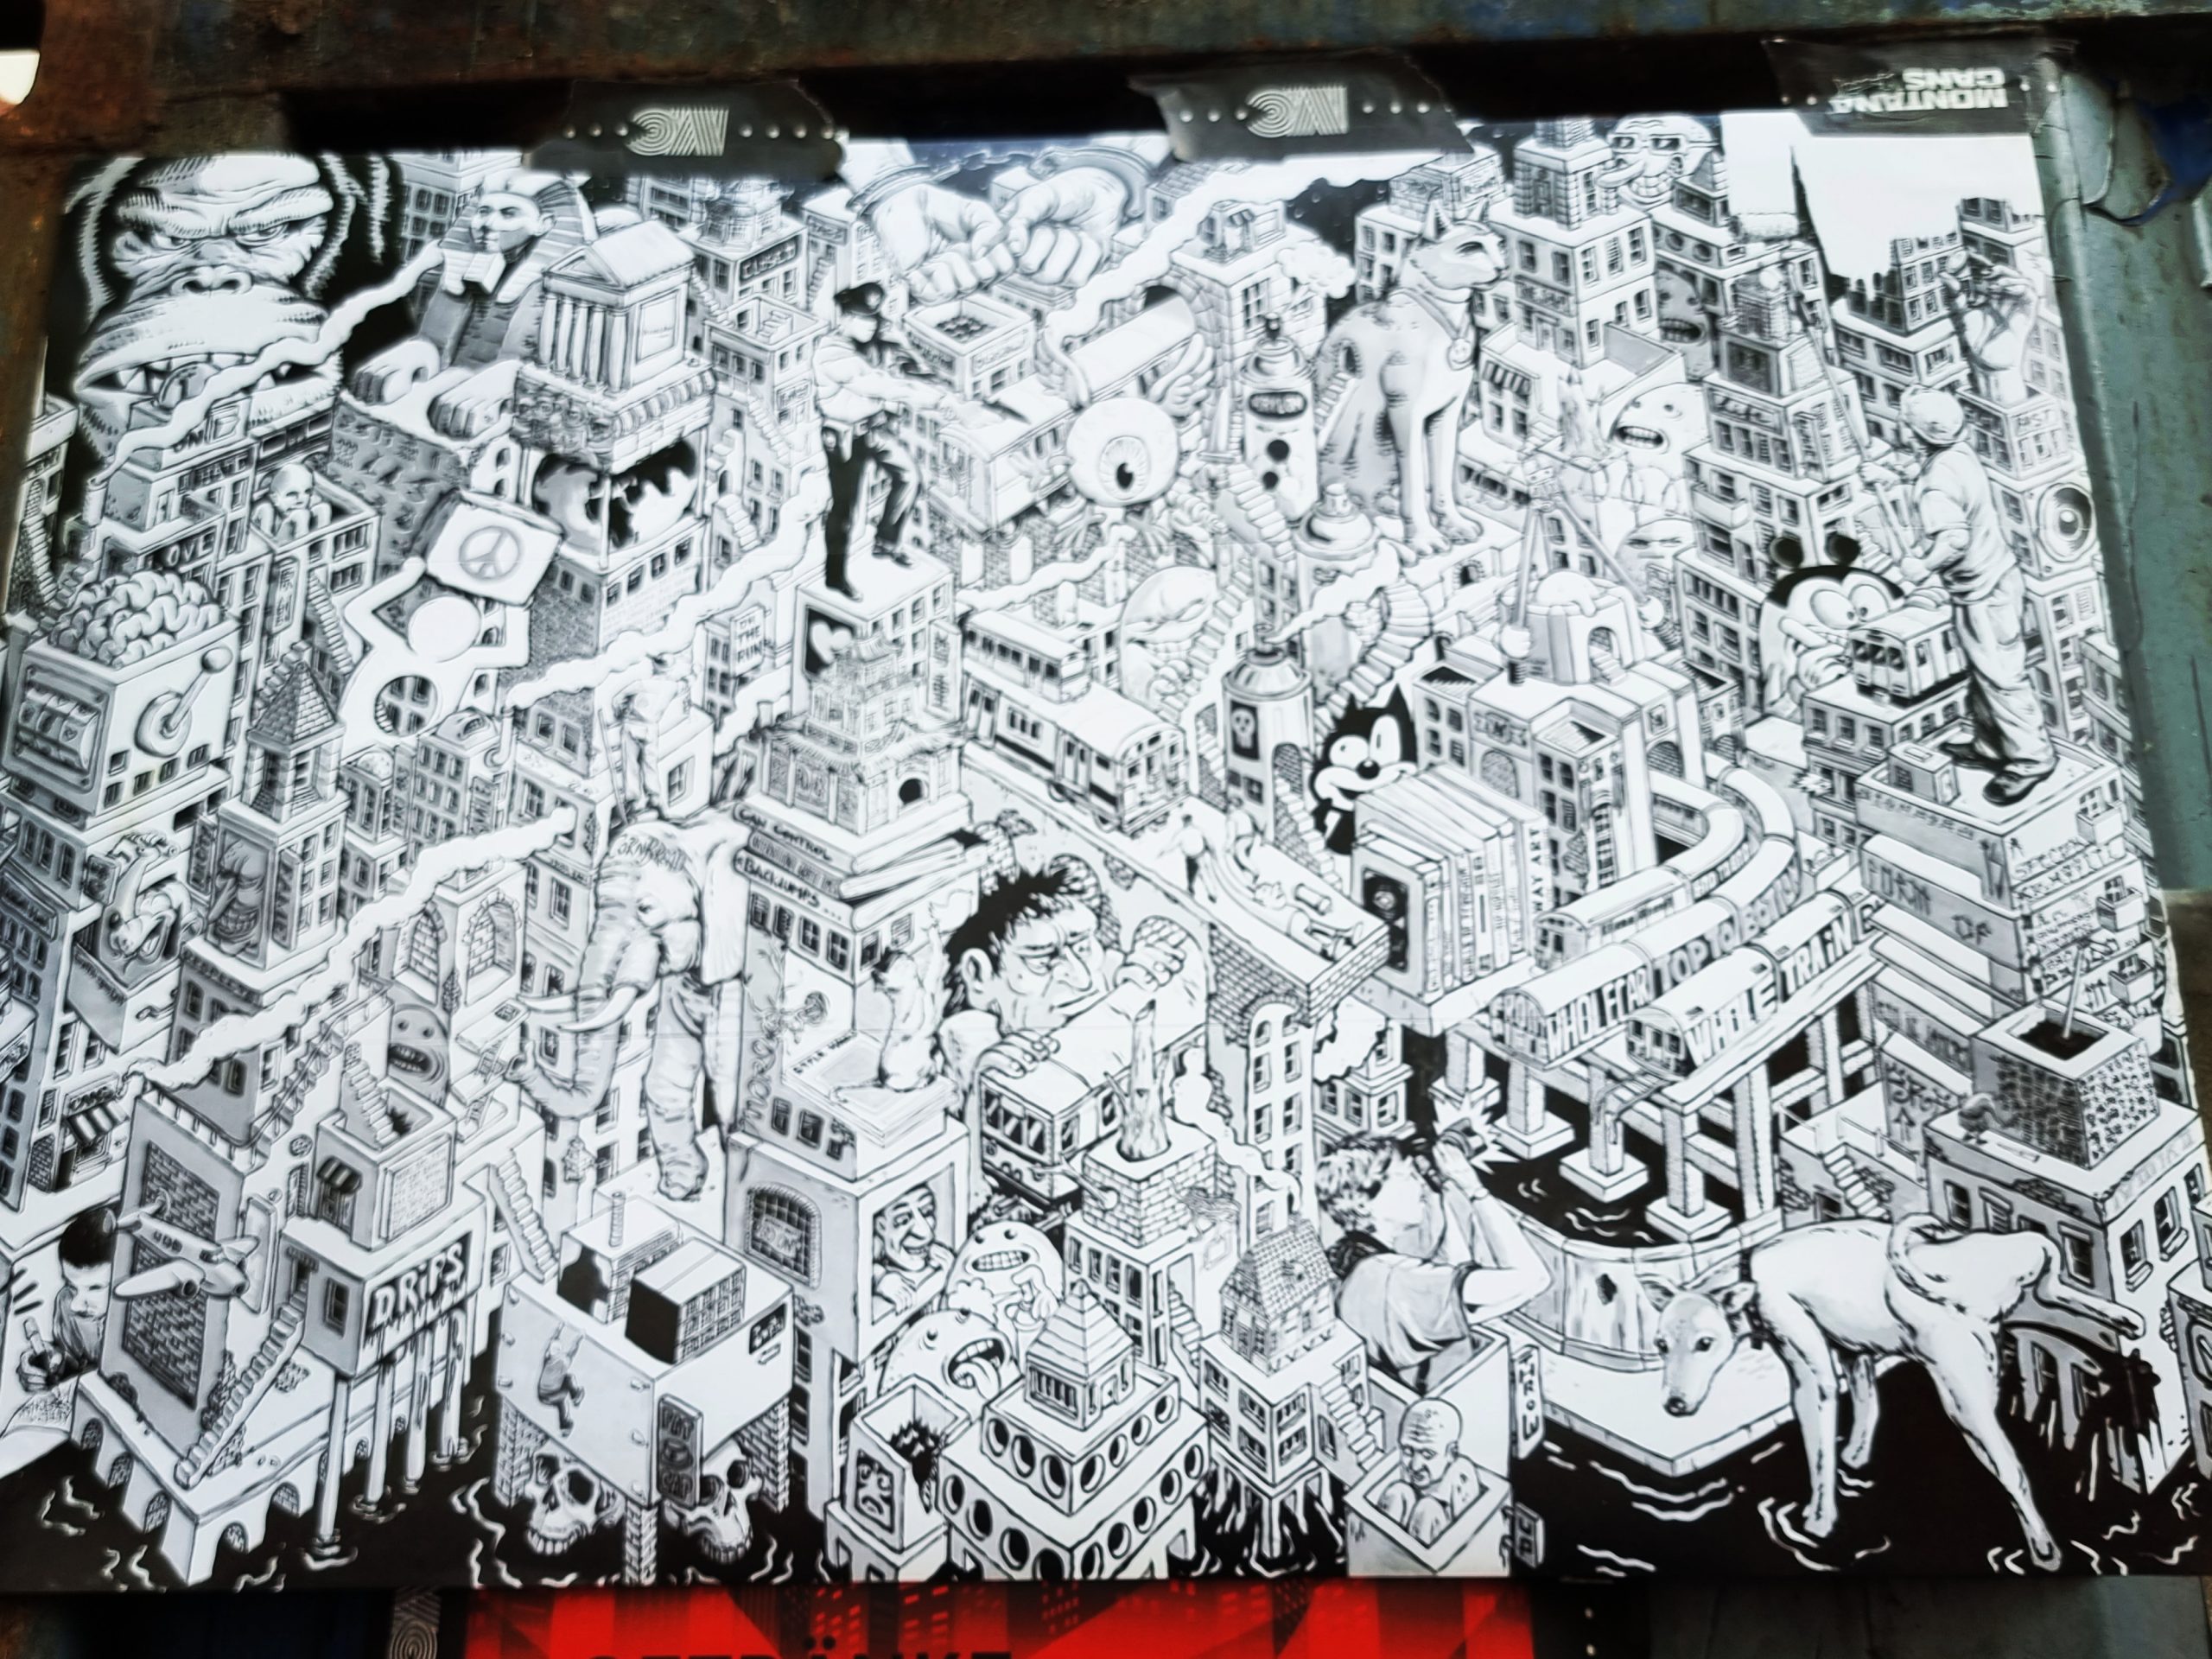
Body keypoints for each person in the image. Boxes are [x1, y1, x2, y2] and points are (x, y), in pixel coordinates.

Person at [1887, 387, 2054, 805]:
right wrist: (1894, 476)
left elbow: (1954, 539)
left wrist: (1922, 567)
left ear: (1917, 433)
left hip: (1983, 593)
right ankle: (1991, 746)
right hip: (1989, 582)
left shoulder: (1936, 484)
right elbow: (1939, 480)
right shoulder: (1956, 455)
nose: (1899, 425)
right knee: (1984, 672)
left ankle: (2032, 759)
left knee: (2001, 676)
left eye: (1905, 421)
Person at [1317, 1127, 1549, 1388]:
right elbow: (1534, 1278)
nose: (1418, 1183)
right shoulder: (1395, 1279)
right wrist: (1475, 1189)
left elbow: (1455, 1273)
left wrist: (1442, 1188)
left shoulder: (1353, 1259)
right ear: (1363, 1203)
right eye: (1405, 1176)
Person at [937, 859, 1188, 1099]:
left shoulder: (1109, 970)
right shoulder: (970, 1040)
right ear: (979, 974)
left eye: (1083, 949)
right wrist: (981, 1092)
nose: (1081, 980)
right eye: (1041, 961)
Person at [816, 283, 963, 599]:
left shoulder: (870, 346)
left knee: (909, 476)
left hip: (873, 429)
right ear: (845, 318)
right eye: (864, 318)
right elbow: (880, 385)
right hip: (843, 436)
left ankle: (886, 542)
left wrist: (902, 346)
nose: (871, 324)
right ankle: (835, 576)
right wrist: (937, 400)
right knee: (845, 510)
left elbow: (907, 368)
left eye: (874, 318)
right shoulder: (832, 353)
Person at [18, 1206, 116, 1393]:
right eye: (72, 1286)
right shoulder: (66, 1302)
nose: (76, 1305)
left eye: (95, 1288)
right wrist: (53, 1363)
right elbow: (75, 1364)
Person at [1375, 1398, 1484, 1547]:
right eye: (1408, 1451)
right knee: (1396, 1493)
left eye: (1427, 1454)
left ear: (1451, 1453)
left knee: (1427, 1510)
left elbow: (1467, 1537)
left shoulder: (1461, 1477)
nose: (1415, 1466)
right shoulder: (1407, 1476)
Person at [870, 1182, 953, 1320]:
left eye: (927, 1212)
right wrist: (878, 1276)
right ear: (880, 1227)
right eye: (903, 1220)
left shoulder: (935, 1256)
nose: (925, 1232)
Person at [1175, 810, 1218, 902]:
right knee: (1192, 876)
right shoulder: (1184, 832)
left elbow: (1208, 841)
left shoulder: (1196, 830)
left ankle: (1212, 894)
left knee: (1203, 874)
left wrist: (1212, 852)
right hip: (1191, 858)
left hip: (1199, 856)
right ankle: (1191, 890)